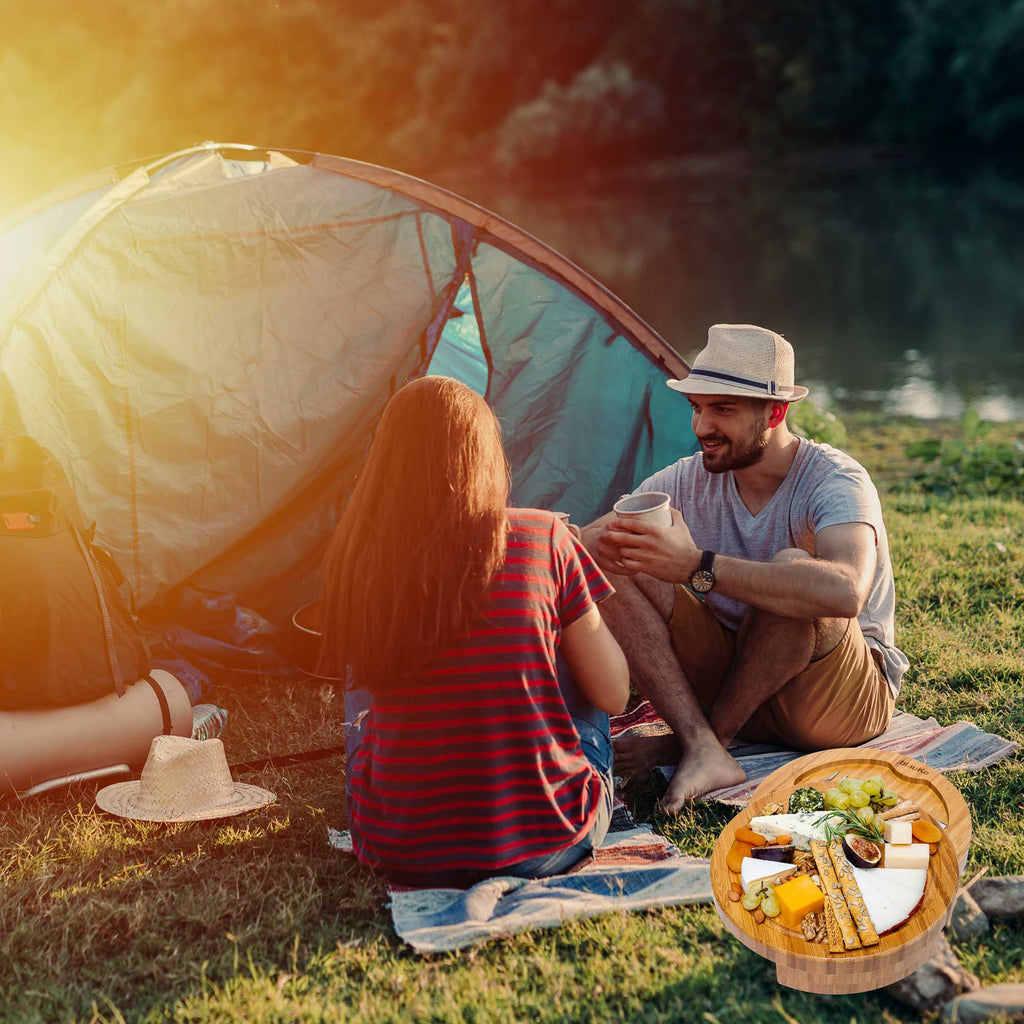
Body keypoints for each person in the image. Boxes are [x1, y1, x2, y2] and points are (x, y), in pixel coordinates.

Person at [583, 324, 908, 814]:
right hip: (739, 678)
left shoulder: (834, 479)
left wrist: (696, 565)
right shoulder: (686, 479)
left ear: (776, 412)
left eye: (723, 409)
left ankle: (708, 739)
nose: (701, 428)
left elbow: (845, 592)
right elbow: (581, 548)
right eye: (697, 408)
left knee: (796, 573)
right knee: (618, 559)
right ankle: (702, 744)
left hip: (834, 699)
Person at [319, 375, 629, 887]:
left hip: (398, 847)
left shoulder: (361, 556)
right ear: (486, 454)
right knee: (575, 649)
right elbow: (614, 694)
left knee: (364, 677)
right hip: (547, 839)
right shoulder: (544, 535)